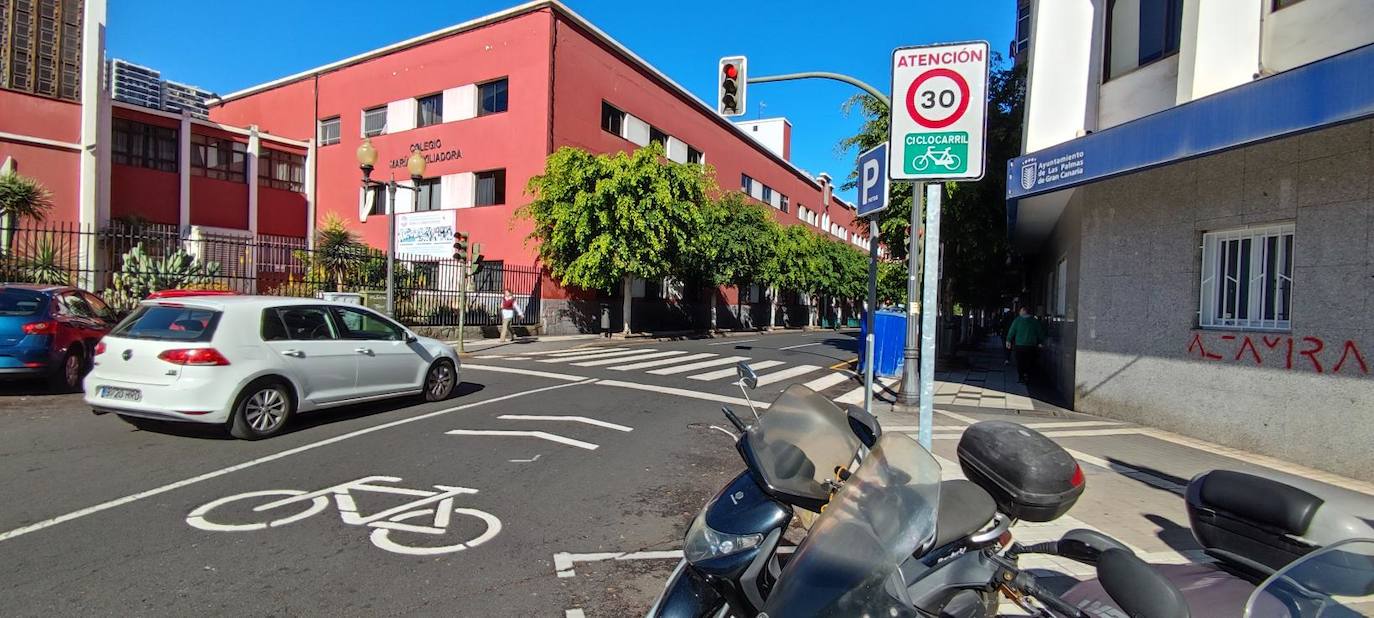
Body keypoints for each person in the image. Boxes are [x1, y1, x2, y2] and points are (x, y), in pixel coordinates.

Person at [1005, 306, 1046, 383]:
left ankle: (1021, 377)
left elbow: (1011, 331)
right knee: (1029, 362)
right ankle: (1027, 375)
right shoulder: (1034, 321)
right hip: (1031, 346)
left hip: (1019, 345)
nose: (1019, 313)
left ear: (1024, 311)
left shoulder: (1017, 320)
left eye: (1020, 311)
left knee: (1020, 362)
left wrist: (1008, 341)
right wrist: (1041, 342)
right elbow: (1040, 333)